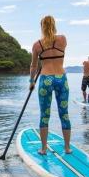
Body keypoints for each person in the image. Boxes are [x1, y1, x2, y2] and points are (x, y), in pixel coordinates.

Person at [30, 15, 72, 155]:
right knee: (64, 114)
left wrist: (31, 82)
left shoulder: (37, 45)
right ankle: (67, 148)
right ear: (54, 25)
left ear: (42, 27)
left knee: (44, 115)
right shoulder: (62, 39)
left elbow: (33, 66)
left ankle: (43, 149)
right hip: (61, 78)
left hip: (46, 79)